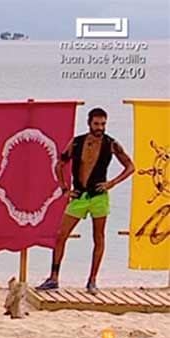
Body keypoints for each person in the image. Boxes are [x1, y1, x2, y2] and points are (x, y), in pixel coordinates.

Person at [36, 108, 135, 294]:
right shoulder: (76, 142)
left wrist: (112, 183)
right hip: (80, 195)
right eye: (97, 124)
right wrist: (65, 189)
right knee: (60, 235)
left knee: (98, 237)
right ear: (89, 123)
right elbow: (59, 164)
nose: (100, 128)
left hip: (99, 196)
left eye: (103, 124)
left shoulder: (111, 144)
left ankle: (92, 280)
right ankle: (54, 277)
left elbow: (130, 166)